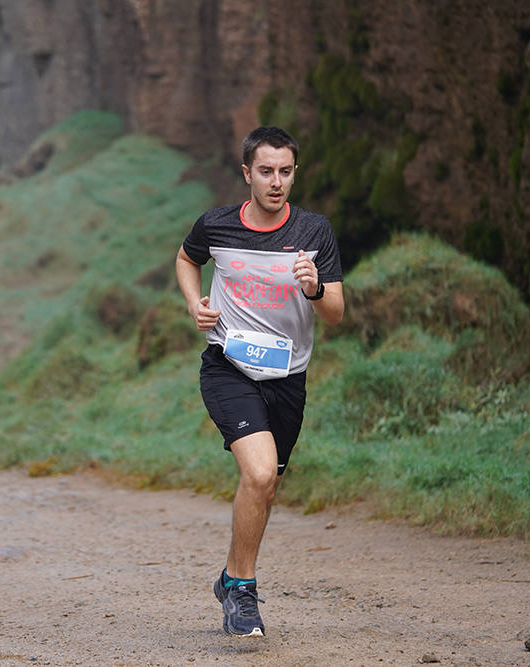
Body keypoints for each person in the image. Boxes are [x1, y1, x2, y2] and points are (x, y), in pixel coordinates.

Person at [174, 126, 344, 638]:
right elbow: (187, 258)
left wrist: (315, 288)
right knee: (260, 472)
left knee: (265, 487)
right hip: (229, 367)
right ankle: (244, 594)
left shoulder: (315, 232)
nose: (276, 182)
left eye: (285, 172)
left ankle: (228, 578)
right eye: (266, 171)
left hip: (288, 378)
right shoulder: (217, 225)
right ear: (247, 173)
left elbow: (335, 314)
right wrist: (194, 303)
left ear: (295, 172)